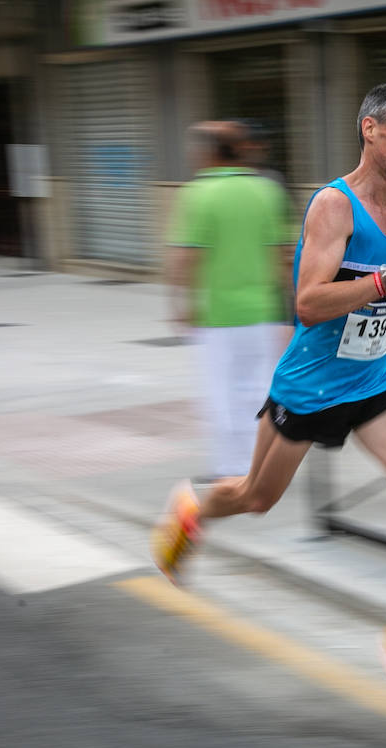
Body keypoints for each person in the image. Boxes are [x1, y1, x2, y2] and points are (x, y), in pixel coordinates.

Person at [151, 78, 386, 701]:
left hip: (374, 377)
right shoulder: (333, 205)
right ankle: (191, 511)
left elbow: (380, 293)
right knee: (254, 497)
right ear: (371, 129)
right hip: (311, 385)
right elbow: (309, 303)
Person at [166, 120, 293, 482]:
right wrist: (292, 307)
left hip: (218, 317)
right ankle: (262, 465)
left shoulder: (196, 194)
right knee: (258, 391)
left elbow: (184, 258)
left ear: (209, 153)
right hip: (265, 313)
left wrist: (179, 302)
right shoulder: (268, 191)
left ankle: (230, 470)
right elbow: (283, 255)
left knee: (222, 394)